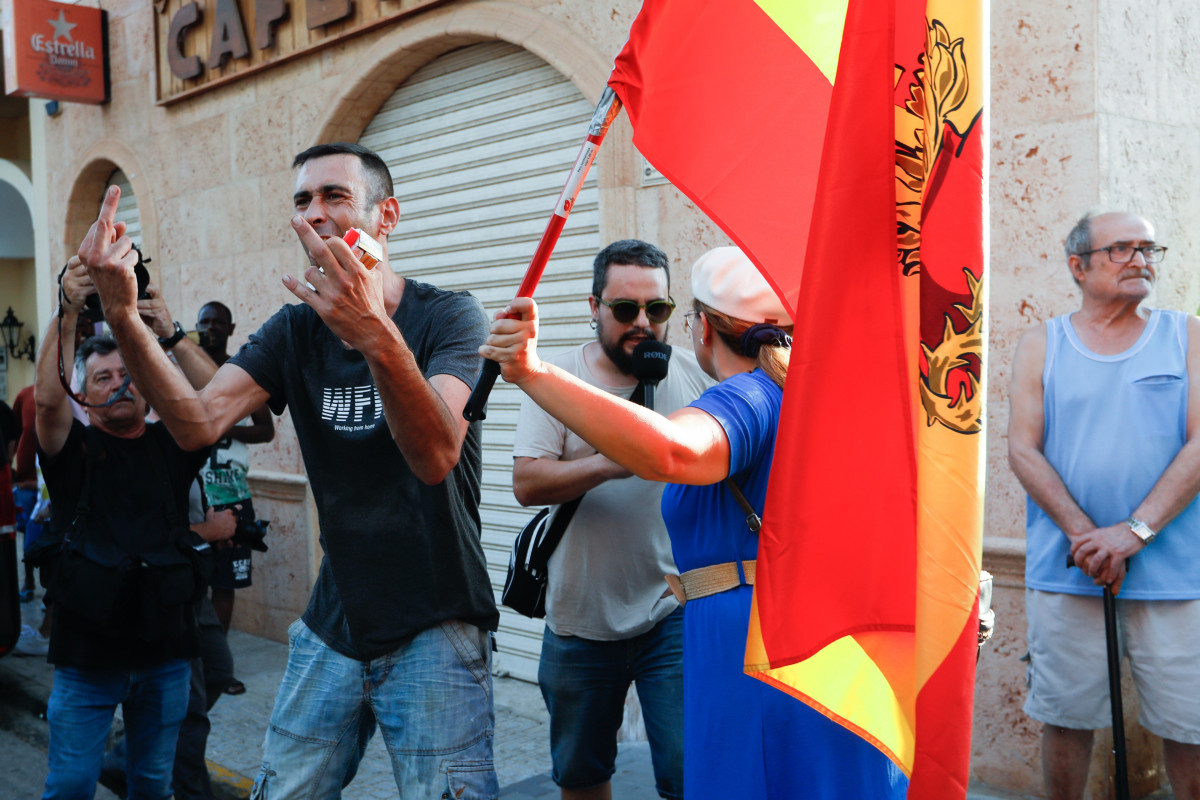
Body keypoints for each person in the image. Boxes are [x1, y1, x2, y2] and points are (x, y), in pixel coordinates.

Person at [78, 141, 498, 799]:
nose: (315, 213)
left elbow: (436, 453)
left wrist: (373, 334)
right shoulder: (294, 331)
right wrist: (125, 315)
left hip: (438, 621)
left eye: (336, 196)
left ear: (386, 216)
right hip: (335, 620)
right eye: (303, 199)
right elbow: (196, 423)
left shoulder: (447, 315)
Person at [483, 246, 907, 799]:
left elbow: (674, 451)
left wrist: (531, 372)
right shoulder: (817, 394)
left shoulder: (749, 394)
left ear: (702, 328)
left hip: (752, 647)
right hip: (808, 641)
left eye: (661, 311)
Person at [1008, 211, 1200, 799]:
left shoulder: (1187, 334)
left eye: (1148, 247)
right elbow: (1022, 449)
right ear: (1079, 266)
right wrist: (1087, 536)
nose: (1140, 258)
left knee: (1189, 726)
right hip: (1071, 569)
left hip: (1175, 574)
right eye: (1121, 248)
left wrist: (1132, 534)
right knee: (1065, 718)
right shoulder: (1041, 343)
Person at [512, 240, 711, 800]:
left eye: (658, 309)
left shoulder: (695, 376)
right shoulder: (558, 380)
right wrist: (609, 462)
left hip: (671, 612)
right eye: (625, 310)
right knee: (582, 774)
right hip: (580, 621)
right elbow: (527, 482)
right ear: (593, 307)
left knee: (688, 771)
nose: (642, 323)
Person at [33, 256, 219, 799]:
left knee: (153, 788)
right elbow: (47, 400)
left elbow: (217, 402)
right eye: (102, 378)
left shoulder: (173, 445)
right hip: (86, 662)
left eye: (127, 376)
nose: (118, 386)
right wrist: (67, 310)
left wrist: (173, 334)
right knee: (69, 786)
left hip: (166, 659)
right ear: (84, 396)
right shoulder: (74, 452)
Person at [195, 299, 276, 696]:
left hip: (232, 494)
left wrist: (225, 429)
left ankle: (218, 664)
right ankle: (191, 659)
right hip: (194, 496)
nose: (209, 328)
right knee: (191, 579)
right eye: (203, 322)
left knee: (226, 582)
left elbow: (267, 430)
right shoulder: (180, 371)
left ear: (230, 328)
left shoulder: (242, 373)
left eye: (217, 323)